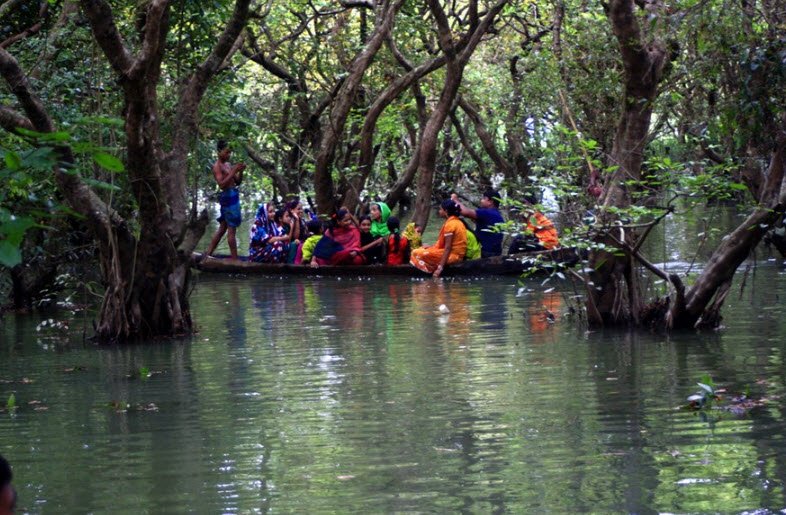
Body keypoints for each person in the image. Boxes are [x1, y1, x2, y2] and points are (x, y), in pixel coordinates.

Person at [205, 140, 246, 260]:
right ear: (219, 152)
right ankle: (234, 260)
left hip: (233, 195)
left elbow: (237, 181)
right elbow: (221, 185)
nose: (228, 155)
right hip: (227, 198)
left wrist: (240, 171)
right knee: (231, 229)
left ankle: (208, 254)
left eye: (230, 153)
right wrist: (233, 171)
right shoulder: (217, 167)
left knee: (222, 228)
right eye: (226, 152)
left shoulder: (228, 165)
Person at [410, 199, 467, 278]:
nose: (439, 211)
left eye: (440, 209)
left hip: (453, 256)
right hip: (457, 254)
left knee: (416, 253)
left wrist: (440, 268)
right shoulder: (458, 222)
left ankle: (430, 269)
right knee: (423, 248)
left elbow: (448, 247)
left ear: (446, 211)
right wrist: (430, 247)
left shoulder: (450, 225)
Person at [451, 189, 505, 258]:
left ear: (490, 202)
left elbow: (465, 212)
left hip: (485, 253)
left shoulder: (487, 212)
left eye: (484, 198)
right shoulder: (497, 215)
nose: (481, 200)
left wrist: (455, 199)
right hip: (495, 253)